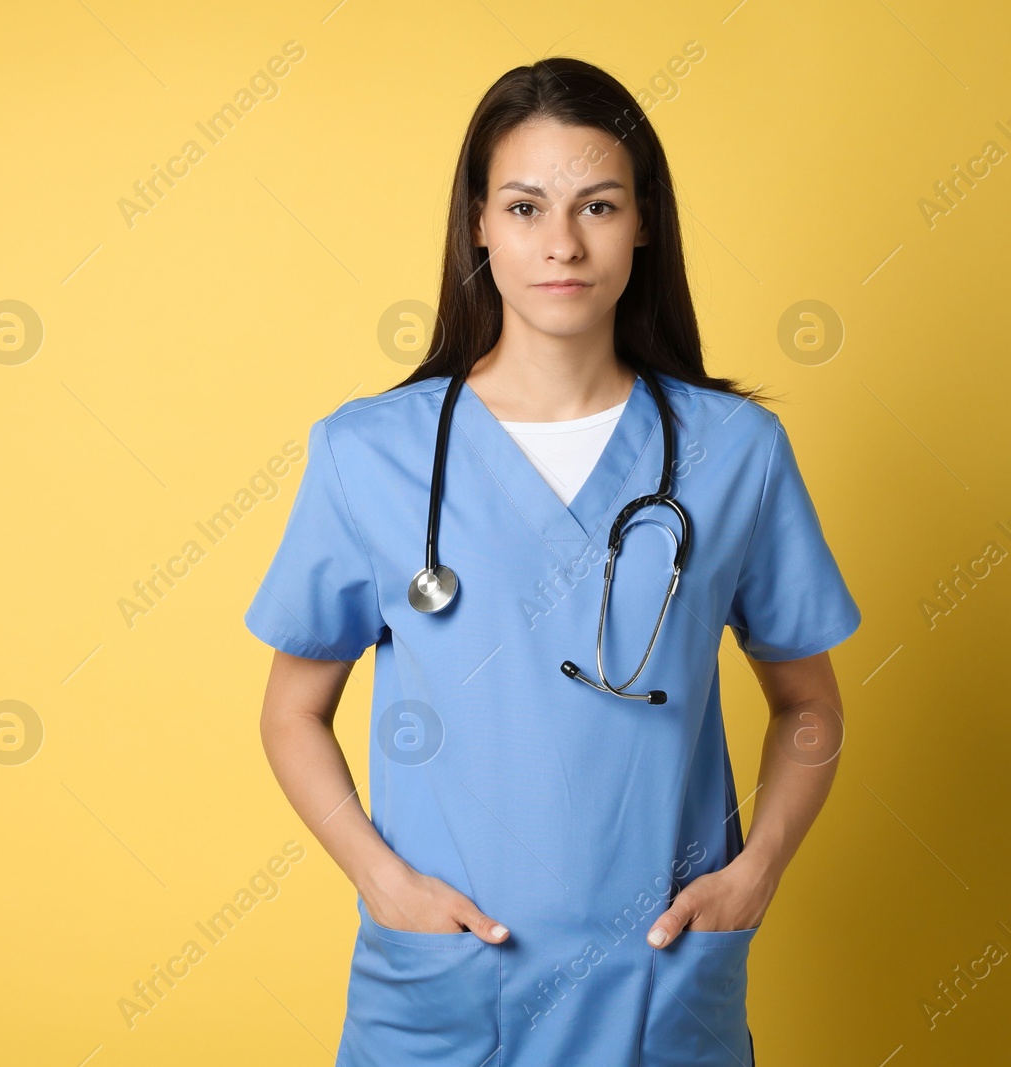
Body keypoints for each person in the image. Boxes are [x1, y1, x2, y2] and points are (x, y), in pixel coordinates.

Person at [244, 56, 859, 1066]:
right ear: (477, 224)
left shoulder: (734, 450)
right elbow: (289, 710)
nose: (561, 243)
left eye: (597, 205)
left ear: (643, 222)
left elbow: (810, 706)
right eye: (525, 206)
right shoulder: (370, 452)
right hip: (448, 984)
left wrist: (759, 870)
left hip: (659, 984)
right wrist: (379, 879)